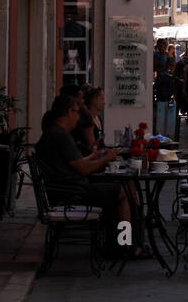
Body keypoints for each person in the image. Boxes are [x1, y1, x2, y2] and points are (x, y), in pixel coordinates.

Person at [36, 95, 144, 258]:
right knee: (123, 192)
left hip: (65, 189)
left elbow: (76, 162)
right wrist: (106, 158)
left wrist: (96, 156)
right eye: (77, 113)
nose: (78, 117)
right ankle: (125, 244)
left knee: (120, 185)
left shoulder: (52, 133)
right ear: (69, 112)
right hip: (73, 194)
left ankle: (117, 240)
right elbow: (84, 169)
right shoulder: (61, 136)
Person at [75, 87, 105, 156]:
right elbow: (92, 146)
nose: (104, 102)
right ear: (94, 100)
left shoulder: (98, 117)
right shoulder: (85, 120)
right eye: (102, 99)